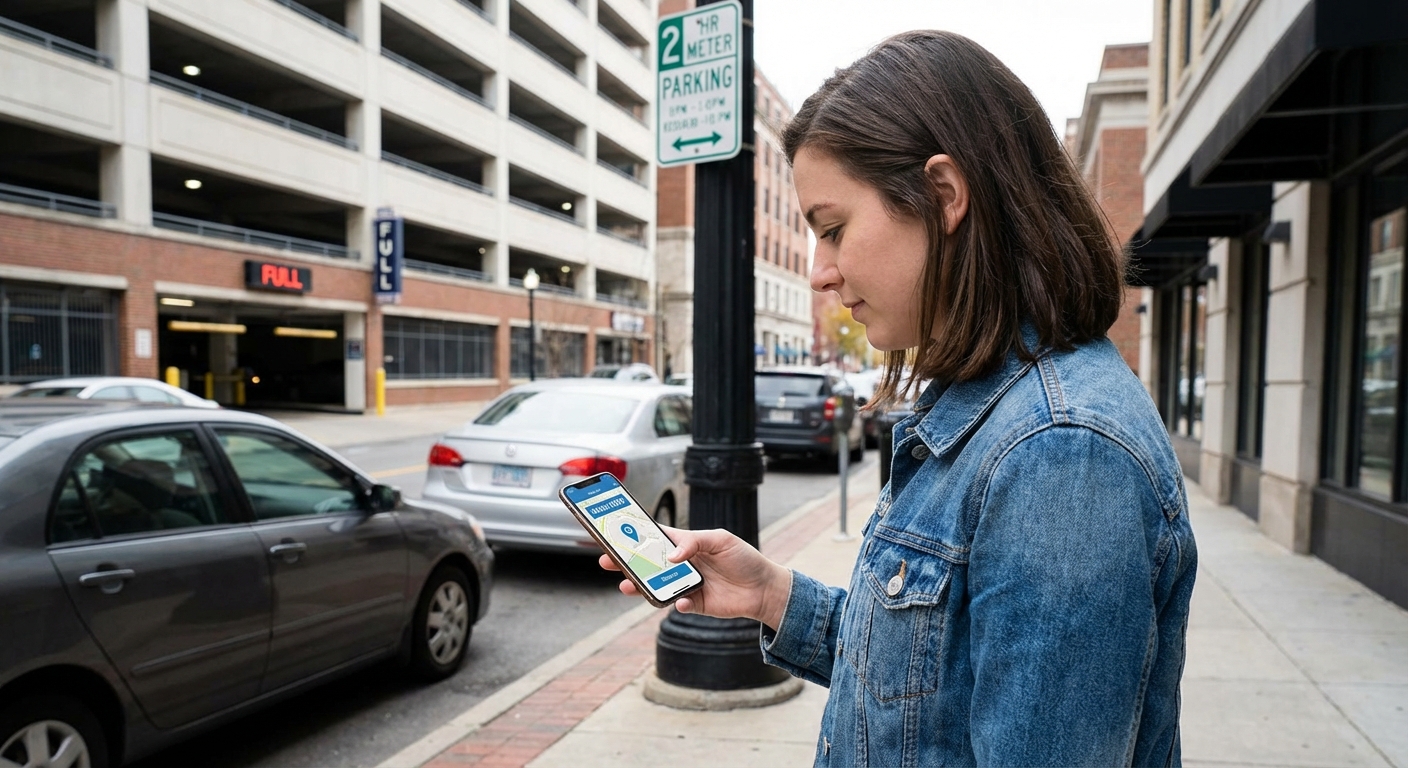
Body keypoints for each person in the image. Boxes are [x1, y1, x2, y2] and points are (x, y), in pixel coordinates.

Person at [601, 30, 1196, 767]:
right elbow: (923, 676)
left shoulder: (1060, 453)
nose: (819, 271)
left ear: (943, 195)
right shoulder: (993, 408)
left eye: (833, 229)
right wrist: (771, 594)